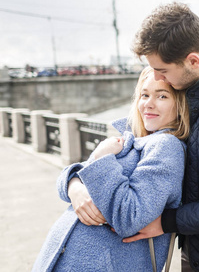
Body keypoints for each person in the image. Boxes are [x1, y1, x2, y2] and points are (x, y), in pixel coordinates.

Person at [64, 2, 199, 272]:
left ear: (193, 61)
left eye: (162, 70)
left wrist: (165, 222)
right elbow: (122, 147)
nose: (155, 77)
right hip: (197, 246)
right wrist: (75, 184)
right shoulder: (183, 85)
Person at [32, 66, 190, 272]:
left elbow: (129, 217)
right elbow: (72, 178)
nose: (148, 104)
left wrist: (102, 157)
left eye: (162, 96)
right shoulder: (132, 137)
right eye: (144, 94)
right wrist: (74, 188)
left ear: (180, 105)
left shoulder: (166, 147)